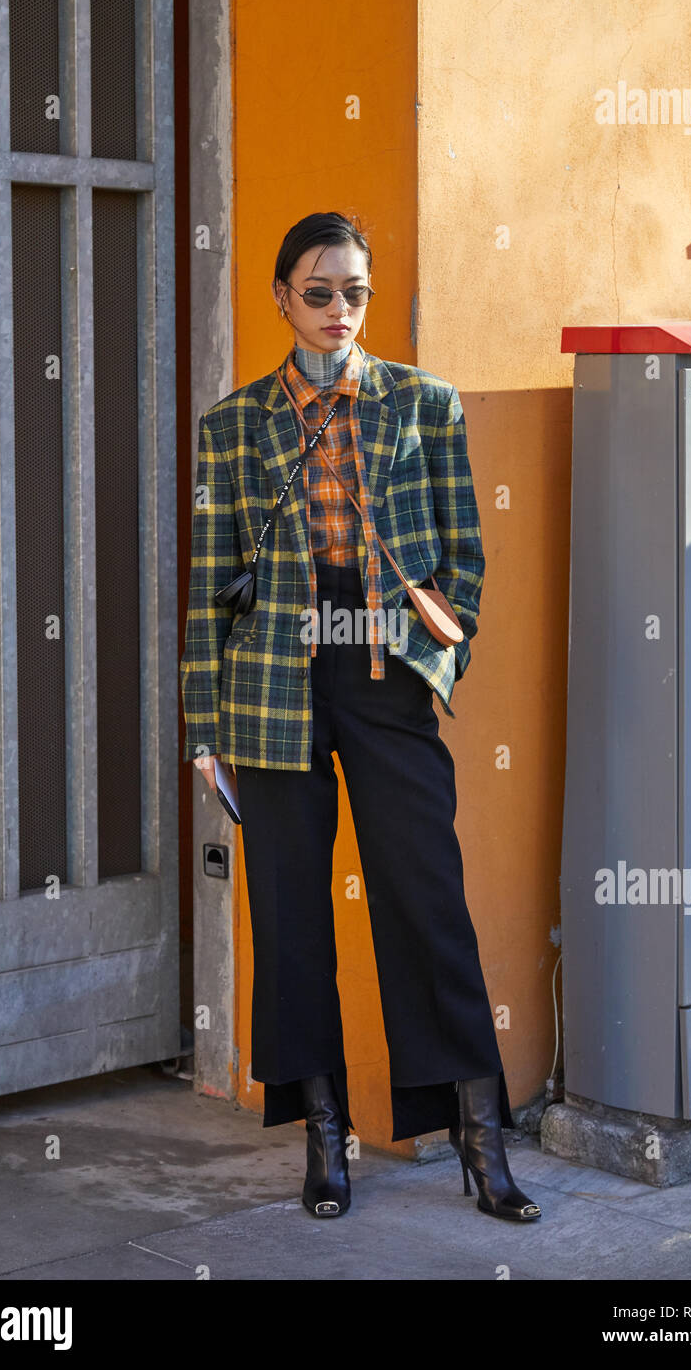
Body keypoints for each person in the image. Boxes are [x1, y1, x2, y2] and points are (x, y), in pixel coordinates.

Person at [180, 211, 541, 1223]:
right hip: (271, 681)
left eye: (355, 293)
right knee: (290, 915)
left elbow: (461, 556)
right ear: (280, 298)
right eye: (318, 291)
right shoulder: (233, 424)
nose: (339, 311)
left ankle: (480, 1138)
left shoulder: (423, 403)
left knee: (426, 902)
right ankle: (325, 1138)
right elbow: (211, 582)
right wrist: (204, 730)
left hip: (384, 672)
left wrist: (439, 656)